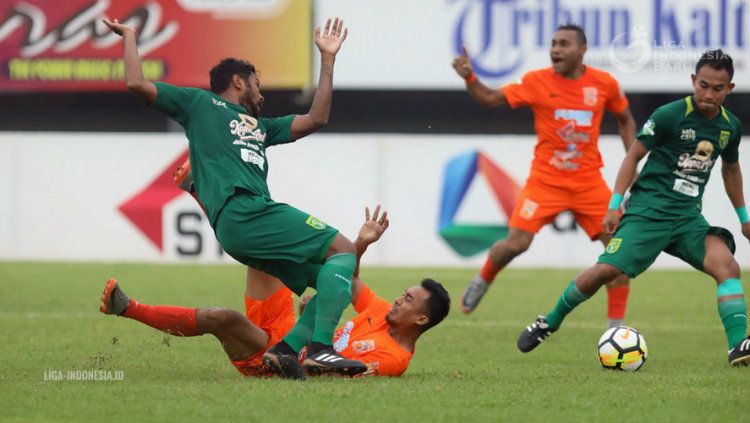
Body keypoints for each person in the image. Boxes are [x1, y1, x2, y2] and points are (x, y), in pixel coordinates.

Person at [102, 16, 363, 379]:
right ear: (238, 81)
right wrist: (129, 37)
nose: (262, 93)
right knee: (344, 249)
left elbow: (316, 118)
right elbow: (136, 82)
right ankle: (319, 349)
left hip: (244, 224)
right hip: (247, 212)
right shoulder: (199, 104)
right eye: (257, 84)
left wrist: (328, 60)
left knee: (339, 280)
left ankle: (285, 351)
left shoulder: (263, 127)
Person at [516, 50, 750, 366]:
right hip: (646, 213)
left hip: (687, 219)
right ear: (694, 81)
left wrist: (744, 218)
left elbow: (731, 169)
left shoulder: (729, 127)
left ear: (729, 88)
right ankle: (550, 320)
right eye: (704, 85)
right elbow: (633, 157)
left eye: (717, 88)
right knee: (605, 271)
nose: (709, 94)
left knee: (728, 268)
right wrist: (615, 205)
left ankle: (738, 347)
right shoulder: (670, 114)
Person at [99, 206, 451, 378]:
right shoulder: (379, 308)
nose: (399, 299)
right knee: (261, 251)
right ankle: (202, 195)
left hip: (278, 361)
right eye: (404, 293)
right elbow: (347, 277)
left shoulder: (394, 360)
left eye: (408, 300)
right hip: (290, 332)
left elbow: (330, 377)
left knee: (221, 318)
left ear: (422, 318)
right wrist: (360, 242)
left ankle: (127, 308)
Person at [452, 24, 637, 327]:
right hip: (545, 181)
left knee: (618, 252)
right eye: (553, 44)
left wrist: (634, 160)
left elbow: (626, 120)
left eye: (564, 44)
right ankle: (483, 279)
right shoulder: (537, 81)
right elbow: (489, 98)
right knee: (515, 244)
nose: (555, 49)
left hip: (588, 182)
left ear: (582, 50)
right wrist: (470, 78)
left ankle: (615, 332)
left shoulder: (604, 84)